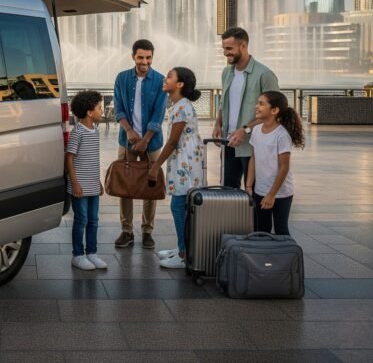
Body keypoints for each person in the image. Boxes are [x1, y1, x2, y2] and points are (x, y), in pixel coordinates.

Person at [113, 39, 168, 249]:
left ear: (152, 57)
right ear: (133, 56)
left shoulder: (160, 80)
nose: (144, 61)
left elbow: (159, 113)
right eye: (140, 57)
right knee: (124, 185)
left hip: (152, 143)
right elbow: (118, 107)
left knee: (150, 186)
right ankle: (126, 230)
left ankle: (147, 231)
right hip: (126, 140)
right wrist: (129, 132)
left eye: (148, 57)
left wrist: (145, 139)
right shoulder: (122, 78)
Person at [148, 67, 205, 269]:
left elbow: (172, 142)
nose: (165, 79)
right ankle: (182, 247)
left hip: (186, 164)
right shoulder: (180, 105)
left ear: (179, 84)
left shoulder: (181, 108)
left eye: (169, 77)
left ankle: (184, 255)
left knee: (178, 207)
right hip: (185, 161)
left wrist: (155, 166)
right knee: (182, 207)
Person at [212, 27, 280, 188]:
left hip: (254, 147)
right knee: (228, 193)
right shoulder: (227, 73)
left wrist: (245, 130)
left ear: (243, 46)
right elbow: (224, 102)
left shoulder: (265, 74)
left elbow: (275, 113)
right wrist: (218, 124)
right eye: (223, 48)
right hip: (229, 143)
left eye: (229, 48)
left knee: (255, 193)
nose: (225, 53)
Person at [246, 91, 304, 235]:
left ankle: (287, 257)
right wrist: (248, 184)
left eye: (261, 104)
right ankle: (266, 257)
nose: (256, 106)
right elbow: (253, 158)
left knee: (281, 230)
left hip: (281, 194)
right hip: (260, 190)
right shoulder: (256, 130)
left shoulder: (281, 134)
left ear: (274, 110)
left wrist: (272, 194)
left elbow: (284, 167)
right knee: (262, 229)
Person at [66, 90, 108, 270]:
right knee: (81, 220)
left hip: (91, 184)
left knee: (93, 220)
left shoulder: (95, 131)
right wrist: (74, 182)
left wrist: (97, 181)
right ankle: (78, 255)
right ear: (90, 112)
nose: (102, 111)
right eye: (99, 108)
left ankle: (92, 253)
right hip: (79, 186)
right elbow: (69, 158)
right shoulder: (78, 132)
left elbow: (92, 159)